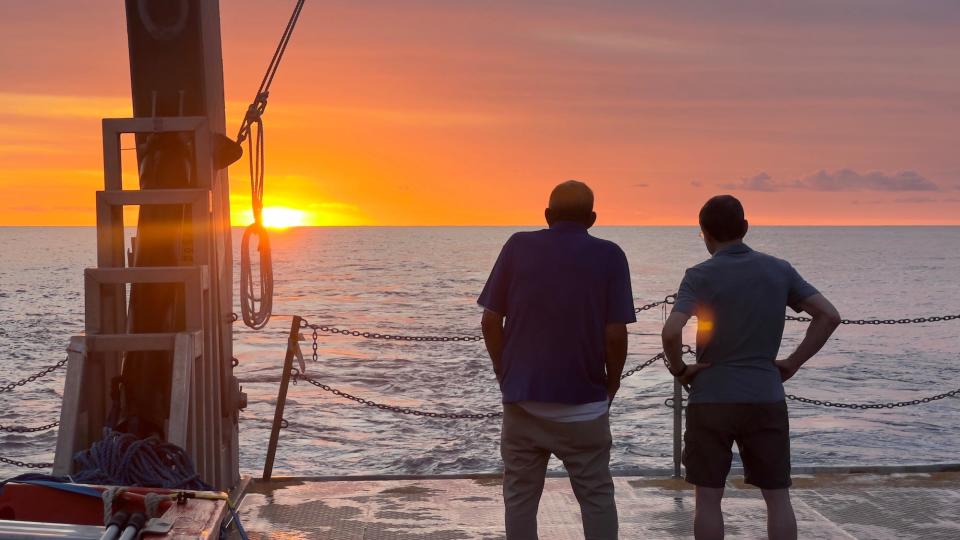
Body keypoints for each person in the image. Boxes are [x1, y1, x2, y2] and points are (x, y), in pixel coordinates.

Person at [661, 195, 841, 540]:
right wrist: (792, 362)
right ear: (744, 228)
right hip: (765, 395)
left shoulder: (699, 275)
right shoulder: (779, 269)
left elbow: (671, 330)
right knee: (777, 498)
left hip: (711, 397)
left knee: (708, 499)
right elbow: (829, 315)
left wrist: (681, 369)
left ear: (704, 234)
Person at [478, 180, 636, 540]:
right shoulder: (610, 255)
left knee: (519, 499)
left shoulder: (518, 246)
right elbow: (615, 334)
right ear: (592, 219)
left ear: (547, 215)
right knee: (596, 497)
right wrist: (612, 383)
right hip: (585, 407)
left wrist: (507, 376)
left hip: (524, 402)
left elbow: (490, 321)